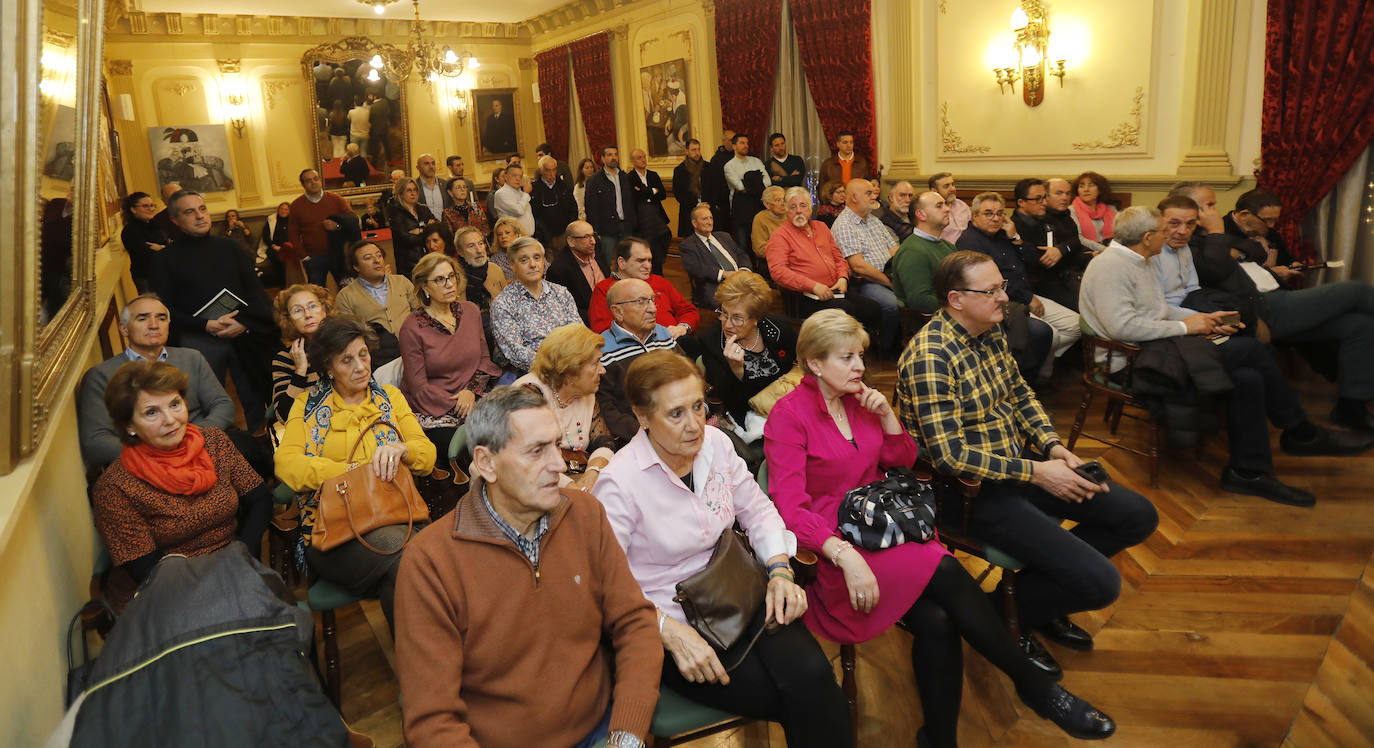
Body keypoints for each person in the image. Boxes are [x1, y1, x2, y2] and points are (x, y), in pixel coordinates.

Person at [770, 309, 1118, 746]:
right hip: (835, 547)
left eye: (860, 354)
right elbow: (788, 506)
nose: (860, 366)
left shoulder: (861, 400)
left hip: (885, 525)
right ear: (815, 363)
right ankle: (1035, 687)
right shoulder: (790, 415)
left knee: (937, 620)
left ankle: (940, 738)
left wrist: (889, 420)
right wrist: (843, 554)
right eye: (847, 357)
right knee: (945, 569)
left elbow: (900, 463)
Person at [899, 249, 1163, 675]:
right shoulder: (931, 356)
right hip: (969, 493)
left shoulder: (989, 329)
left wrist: (1052, 446)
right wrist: (1040, 472)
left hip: (1021, 470)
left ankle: (1027, 605)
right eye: (992, 291)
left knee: (1137, 516)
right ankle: (1007, 617)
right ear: (956, 299)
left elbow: (1020, 395)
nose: (1004, 297)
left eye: (1002, 286)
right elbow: (950, 456)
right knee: (1101, 583)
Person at [596, 351, 853, 747]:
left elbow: (758, 509)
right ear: (642, 417)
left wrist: (780, 569)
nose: (695, 424)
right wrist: (668, 632)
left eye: (698, 406)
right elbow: (604, 586)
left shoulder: (716, 444)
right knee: (801, 698)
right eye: (676, 414)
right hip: (673, 620)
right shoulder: (620, 483)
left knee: (814, 680)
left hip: (738, 591)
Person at [393, 385, 661, 747]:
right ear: (486, 463)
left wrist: (626, 734)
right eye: (537, 451)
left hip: (602, 730)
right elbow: (432, 722)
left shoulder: (584, 514)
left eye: (556, 444)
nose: (559, 464)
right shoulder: (430, 563)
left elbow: (634, 624)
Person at [1096, 202, 1371, 506]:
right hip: (1133, 362)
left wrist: (1211, 319)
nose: (1173, 236)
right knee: (1251, 348)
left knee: (1248, 377)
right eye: (1164, 230)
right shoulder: (1112, 266)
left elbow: (1158, 309)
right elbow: (1123, 328)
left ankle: (1247, 471)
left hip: (1156, 346)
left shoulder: (1141, 260)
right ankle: (1300, 432)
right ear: (1148, 237)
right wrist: (1188, 327)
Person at [275, 316, 437, 628]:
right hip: (336, 534)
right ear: (328, 367)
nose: (360, 366)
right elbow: (287, 465)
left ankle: (420, 666)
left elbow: (427, 456)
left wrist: (405, 449)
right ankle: (439, 663)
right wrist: (352, 471)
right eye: (346, 360)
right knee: (418, 560)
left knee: (402, 574)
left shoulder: (390, 397)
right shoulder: (307, 406)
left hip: (398, 514)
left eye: (363, 354)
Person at [1178, 184, 1374, 432]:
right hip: (1259, 308)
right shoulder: (1189, 240)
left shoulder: (1212, 236)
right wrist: (1218, 233)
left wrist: (1230, 246)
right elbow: (1213, 270)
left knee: (1360, 326)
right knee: (1357, 290)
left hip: (1273, 297)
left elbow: (1255, 250)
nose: (1216, 211)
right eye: (1209, 205)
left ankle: (1351, 408)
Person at [92, 360, 272, 612]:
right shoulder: (115, 489)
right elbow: (147, 568)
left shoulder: (214, 442)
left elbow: (259, 499)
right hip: (172, 592)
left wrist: (244, 557)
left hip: (237, 562)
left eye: (175, 404)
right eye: (151, 412)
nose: (170, 420)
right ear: (129, 426)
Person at [149, 190, 277, 432]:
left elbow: (256, 293)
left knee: (255, 397)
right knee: (205, 404)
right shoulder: (164, 260)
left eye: (202, 209)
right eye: (190, 212)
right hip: (197, 339)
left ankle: (260, 446)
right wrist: (205, 325)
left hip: (242, 333)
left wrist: (245, 323)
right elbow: (163, 310)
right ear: (175, 220)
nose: (200, 216)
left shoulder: (230, 248)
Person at [78, 294, 236, 467]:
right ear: (123, 329)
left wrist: (193, 439)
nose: (154, 325)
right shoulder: (101, 375)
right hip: (147, 466)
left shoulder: (191, 357)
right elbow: (95, 442)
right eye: (142, 318)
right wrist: (158, 454)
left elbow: (222, 404)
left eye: (161, 318)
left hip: (202, 448)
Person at [958, 192, 1076, 379]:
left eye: (1000, 213)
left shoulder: (1004, 235)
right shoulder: (969, 241)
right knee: (1048, 334)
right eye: (988, 214)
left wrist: (1016, 237)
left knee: (1074, 325)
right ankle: (1034, 377)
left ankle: (1041, 367)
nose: (996, 218)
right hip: (1004, 303)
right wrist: (1029, 298)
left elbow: (1034, 260)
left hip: (1027, 295)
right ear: (975, 216)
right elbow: (992, 283)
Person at [401, 253, 502, 453]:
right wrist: (459, 404)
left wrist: (470, 392)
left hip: (473, 396)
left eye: (451, 276)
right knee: (479, 443)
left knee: (511, 427)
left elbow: (483, 360)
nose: (449, 284)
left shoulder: (470, 311)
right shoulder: (411, 328)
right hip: (434, 406)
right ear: (424, 286)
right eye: (439, 279)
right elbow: (418, 387)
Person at [514, 324, 618, 492]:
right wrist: (571, 487)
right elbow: (531, 458)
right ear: (570, 370)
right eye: (596, 363)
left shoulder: (586, 393)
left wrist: (593, 471)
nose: (603, 370)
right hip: (534, 486)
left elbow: (604, 442)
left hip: (578, 476)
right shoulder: (529, 394)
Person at [766, 187, 882, 334]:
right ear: (787, 210)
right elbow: (778, 272)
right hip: (806, 298)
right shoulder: (780, 236)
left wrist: (842, 277)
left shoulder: (821, 227)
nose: (799, 211)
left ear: (810, 208)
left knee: (873, 309)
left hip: (835, 290)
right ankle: (840, 353)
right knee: (845, 309)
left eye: (803, 206)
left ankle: (858, 351)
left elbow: (838, 258)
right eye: (793, 207)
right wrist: (813, 286)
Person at [697, 271, 796, 426]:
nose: (727, 324)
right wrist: (736, 371)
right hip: (751, 419)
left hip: (790, 405)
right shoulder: (711, 341)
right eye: (723, 313)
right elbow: (728, 400)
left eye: (737, 318)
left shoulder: (779, 328)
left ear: (756, 318)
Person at [596, 278, 689, 443]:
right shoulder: (602, 350)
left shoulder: (663, 334)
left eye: (653, 300)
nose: (653, 309)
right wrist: (649, 433)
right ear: (618, 312)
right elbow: (608, 409)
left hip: (684, 422)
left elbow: (689, 376)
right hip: (641, 438)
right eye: (641, 302)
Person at [491, 237, 581, 375]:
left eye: (537, 258)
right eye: (524, 260)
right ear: (512, 265)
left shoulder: (561, 292)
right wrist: (556, 367)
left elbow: (578, 331)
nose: (533, 264)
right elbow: (516, 352)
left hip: (572, 364)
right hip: (532, 372)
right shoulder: (504, 303)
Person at [832, 179, 903, 355]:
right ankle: (886, 350)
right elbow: (858, 266)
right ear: (854, 197)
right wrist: (890, 283)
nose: (874, 196)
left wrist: (901, 274)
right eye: (868, 193)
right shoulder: (845, 224)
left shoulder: (874, 220)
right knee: (891, 304)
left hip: (888, 275)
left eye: (873, 192)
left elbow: (895, 249)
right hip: (864, 282)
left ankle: (905, 343)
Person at [588, 237, 700, 341]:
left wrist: (681, 327)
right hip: (635, 349)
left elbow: (689, 311)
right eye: (641, 260)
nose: (648, 266)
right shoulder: (604, 289)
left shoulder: (659, 281)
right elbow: (603, 331)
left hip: (674, 341)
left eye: (649, 260)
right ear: (622, 262)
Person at [1011, 178, 1086, 311]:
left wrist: (1061, 249)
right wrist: (1062, 251)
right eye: (1038, 199)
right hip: (1039, 285)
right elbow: (1041, 259)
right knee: (1085, 309)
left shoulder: (1045, 219)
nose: (1045, 203)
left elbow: (1075, 241)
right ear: (1021, 202)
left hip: (1062, 275)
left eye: (1045, 197)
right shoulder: (1015, 228)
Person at [889, 191, 959, 315]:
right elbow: (920, 300)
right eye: (939, 206)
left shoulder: (948, 246)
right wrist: (961, 308)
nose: (947, 209)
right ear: (921, 215)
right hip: (934, 323)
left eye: (945, 205)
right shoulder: (912, 252)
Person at [270, 283, 331, 424]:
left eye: (313, 306)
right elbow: (284, 416)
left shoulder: (344, 344)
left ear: (324, 310)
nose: (308, 315)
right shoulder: (283, 359)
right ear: (289, 320)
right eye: (298, 310)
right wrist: (300, 371)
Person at [334, 239, 415, 339]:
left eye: (379, 255)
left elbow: (420, 312)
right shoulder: (345, 296)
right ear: (356, 266)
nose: (377, 261)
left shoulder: (401, 281)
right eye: (368, 258)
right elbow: (347, 333)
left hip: (412, 344)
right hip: (375, 351)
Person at [678, 203, 753, 308]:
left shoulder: (724, 236)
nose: (709, 222)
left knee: (759, 297)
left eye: (711, 218)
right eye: (705, 219)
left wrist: (744, 269)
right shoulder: (688, 245)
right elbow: (694, 267)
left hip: (741, 278)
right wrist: (723, 274)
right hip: (717, 284)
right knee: (739, 303)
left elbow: (741, 253)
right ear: (694, 223)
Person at [289, 169, 352, 287]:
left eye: (316, 179)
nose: (313, 182)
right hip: (314, 258)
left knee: (347, 290)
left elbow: (353, 220)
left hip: (339, 256)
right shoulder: (296, 206)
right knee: (317, 294)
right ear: (303, 185)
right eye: (308, 181)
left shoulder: (336, 199)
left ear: (320, 181)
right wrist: (304, 256)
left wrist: (338, 226)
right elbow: (293, 233)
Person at [547, 220, 611, 323]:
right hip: (588, 322)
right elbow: (565, 309)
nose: (593, 241)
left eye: (593, 235)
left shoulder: (597, 252)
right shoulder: (559, 270)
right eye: (586, 237)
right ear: (571, 241)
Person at [585, 146, 639, 268]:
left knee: (625, 261)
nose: (613, 157)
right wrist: (595, 231)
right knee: (605, 262)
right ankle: (607, 286)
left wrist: (633, 222)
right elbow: (591, 208)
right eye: (609, 155)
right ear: (603, 159)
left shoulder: (625, 177)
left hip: (626, 226)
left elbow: (632, 202)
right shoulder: (594, 180)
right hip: (606, 229)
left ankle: (622, 285)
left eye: (615, 154)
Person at [627, 148, 672, 276]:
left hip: (657, 217)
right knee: (644, 249)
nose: (643, 160)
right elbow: (633, 197)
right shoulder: (629, 177)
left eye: (644, 157)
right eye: (639, 157)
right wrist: (652, 191)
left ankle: (658, 275)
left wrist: (643, 191)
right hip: (640, 220)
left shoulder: (653, 175)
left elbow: (662, 194)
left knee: (661, 242)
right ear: (632, 161)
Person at [723, 134, 768, 252]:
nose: (746, 146)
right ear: (734, 146)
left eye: (747, 143)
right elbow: (740, 187)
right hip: (740, 209)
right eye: (742, 143)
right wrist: (757, 180)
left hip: (758, 206)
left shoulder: (756, 161)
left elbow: (768, 183)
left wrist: (748, 180)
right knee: (742, 245)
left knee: (759, 241)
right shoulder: (729, 166)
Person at [387, 177, 439, 280]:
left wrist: (420, 230)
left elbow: (437, 228)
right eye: (409, 190)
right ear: (401, 193)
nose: (413, 193)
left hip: (429, 258)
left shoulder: (423, 209)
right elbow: (406, 239)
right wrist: (427, 230)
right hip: (408, 264)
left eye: (415, 190)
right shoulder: (396, 212)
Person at [120, 192, 169, 290]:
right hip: (146, 278)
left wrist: (161, 248)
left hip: (164, 274)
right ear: (133, 209)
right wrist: (164, 248)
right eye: (145, 206)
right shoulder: (130, 230)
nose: (151, 209)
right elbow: (146, 253)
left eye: (152, 205)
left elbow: (167, 245)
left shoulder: (155, 224)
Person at [454, 226, 507, 313]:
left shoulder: (495, 269)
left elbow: (507, 301)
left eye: (480, 244)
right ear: (460, 252)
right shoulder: (455, 277)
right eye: (471, 246)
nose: (479, 250)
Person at [1046, 177, 1106, 254]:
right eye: (1059, 193)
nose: (1065, 198)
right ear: (1046, 196)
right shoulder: (1043, 218)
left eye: (1067, 194)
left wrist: (1089, 255)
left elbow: (1075, 243)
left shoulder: (1065, 215)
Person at [531, 155, 578, 249]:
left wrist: (569, 231)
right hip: (544, 237)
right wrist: (541, 234)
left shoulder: (564, 186)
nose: (552, 174)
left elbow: (573, 209)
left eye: (554, 170)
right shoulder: (534, 189)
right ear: (541, 171)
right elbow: (533, 215)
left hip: (564, 234)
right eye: (547, 170)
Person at [672, 139, 707, 238]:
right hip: (689, 213)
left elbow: (716, 189)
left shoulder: (709, 168)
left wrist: (708, 203)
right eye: (693, 150)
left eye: (698, 150)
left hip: (709, 210)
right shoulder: (679, 171)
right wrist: (698, 204)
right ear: (686, 151)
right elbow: (679, 194)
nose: (697, 153)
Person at [1071, 171, 1117, 245]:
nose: (1086, 189)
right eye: (1081, 186)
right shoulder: (1071, 211)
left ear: (1100, 190)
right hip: (1086, 251)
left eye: (1091, 185)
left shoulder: (1111, 209)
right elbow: (1078, 238)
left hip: (1111, 249)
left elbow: (1121, 234)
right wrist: (1103, 249)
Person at [492, 162, 536, 237]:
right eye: (514, 175)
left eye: (520, 176)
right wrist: (526, 193)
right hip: (513, 238)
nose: (518, 179)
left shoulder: (522, 193)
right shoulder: (501, 193)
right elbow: (519, 211)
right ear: (505, 177)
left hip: (528, 237)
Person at [928, 172, 970, 245]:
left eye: (952, 184)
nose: (952, 189)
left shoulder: (962, 206)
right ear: (934, 191)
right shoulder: (931, 211)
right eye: (946, 186)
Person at [257, 201, 290, 288]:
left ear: (289, 211)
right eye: (281, 209)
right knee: (279, 259)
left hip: (288, 247)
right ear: (278, 210)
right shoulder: (272, 220)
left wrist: (285, 247)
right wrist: (273, 246)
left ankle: (290, 282)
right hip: (273, 247)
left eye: (286, 209)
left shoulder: (292, 221)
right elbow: (265, 236)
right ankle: (284, 284)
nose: (283, 211)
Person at [750, 185, 787, 260]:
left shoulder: (791, 214)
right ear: (767, 204)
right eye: (777, 200)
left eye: (784, 199)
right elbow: (759, 249)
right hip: (773, 260)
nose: (783, 203)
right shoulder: (760, 218)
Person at [348, 95, 371, 166]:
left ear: (355, 103)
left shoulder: (351, 112)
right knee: (363, 151)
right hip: (365, 134)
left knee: (354, 152)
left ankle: (354, 166)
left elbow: (349, 119)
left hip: (354, 134)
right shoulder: (367, 111)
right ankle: (363, 165)